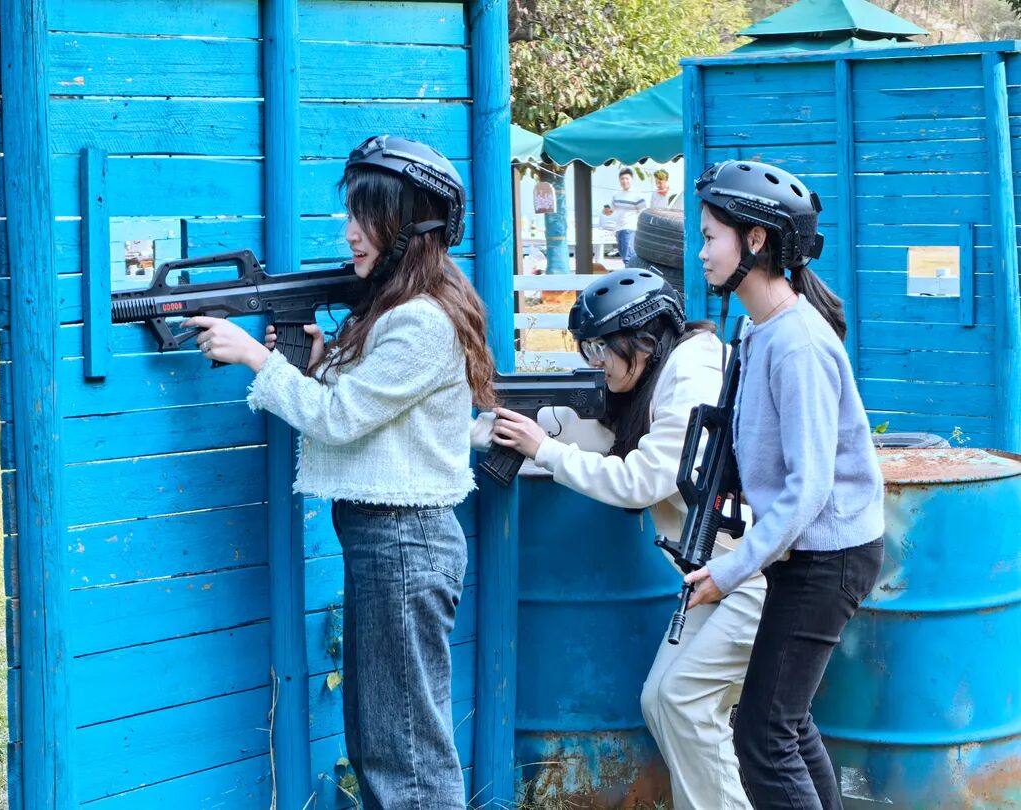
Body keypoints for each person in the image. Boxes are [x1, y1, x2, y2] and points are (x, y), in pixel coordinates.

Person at [183, 135, 494, 810]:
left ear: (410, 227)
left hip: (403, 542)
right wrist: (319, 362)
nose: (350, 231)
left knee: (405, 754)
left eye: (366, 215)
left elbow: (340, 418)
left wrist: (257, 359)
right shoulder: (399, 309)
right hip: (389, 541)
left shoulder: (421, 321)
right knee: (385, 739)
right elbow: (373, 413)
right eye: (350, 212)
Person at [487, 269, 765, 810]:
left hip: (750, 570)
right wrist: (505, 425)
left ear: (644, 341)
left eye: (601, 349)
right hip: (715, 575)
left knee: (686, 703)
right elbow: (595, 429)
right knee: (665, 702)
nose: (595, 362)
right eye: (586, 349)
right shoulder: (657, 377)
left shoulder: (691, 373)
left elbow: (644, 478)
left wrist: (545, 449)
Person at [685, 160, 885, 809]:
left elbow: (809, 487)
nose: (701, 251)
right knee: (785, 725)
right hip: (809, 552)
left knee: (763, 737)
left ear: (755, 240)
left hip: (829, 556)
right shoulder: (759, 329)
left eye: (710, 236)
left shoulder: (798, 345)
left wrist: (730, 570)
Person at [610, 167, 647, 267]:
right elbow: (610, 209)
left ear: (631, 179)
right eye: (622, 179)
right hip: (618, 229)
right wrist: (606, 210)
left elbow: (643, 213)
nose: (624, 181)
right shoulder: (616, 194)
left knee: (629, 257)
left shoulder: (638, 195)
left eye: (627, 178)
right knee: (623, 255)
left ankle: (631, 274)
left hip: (630, 229)